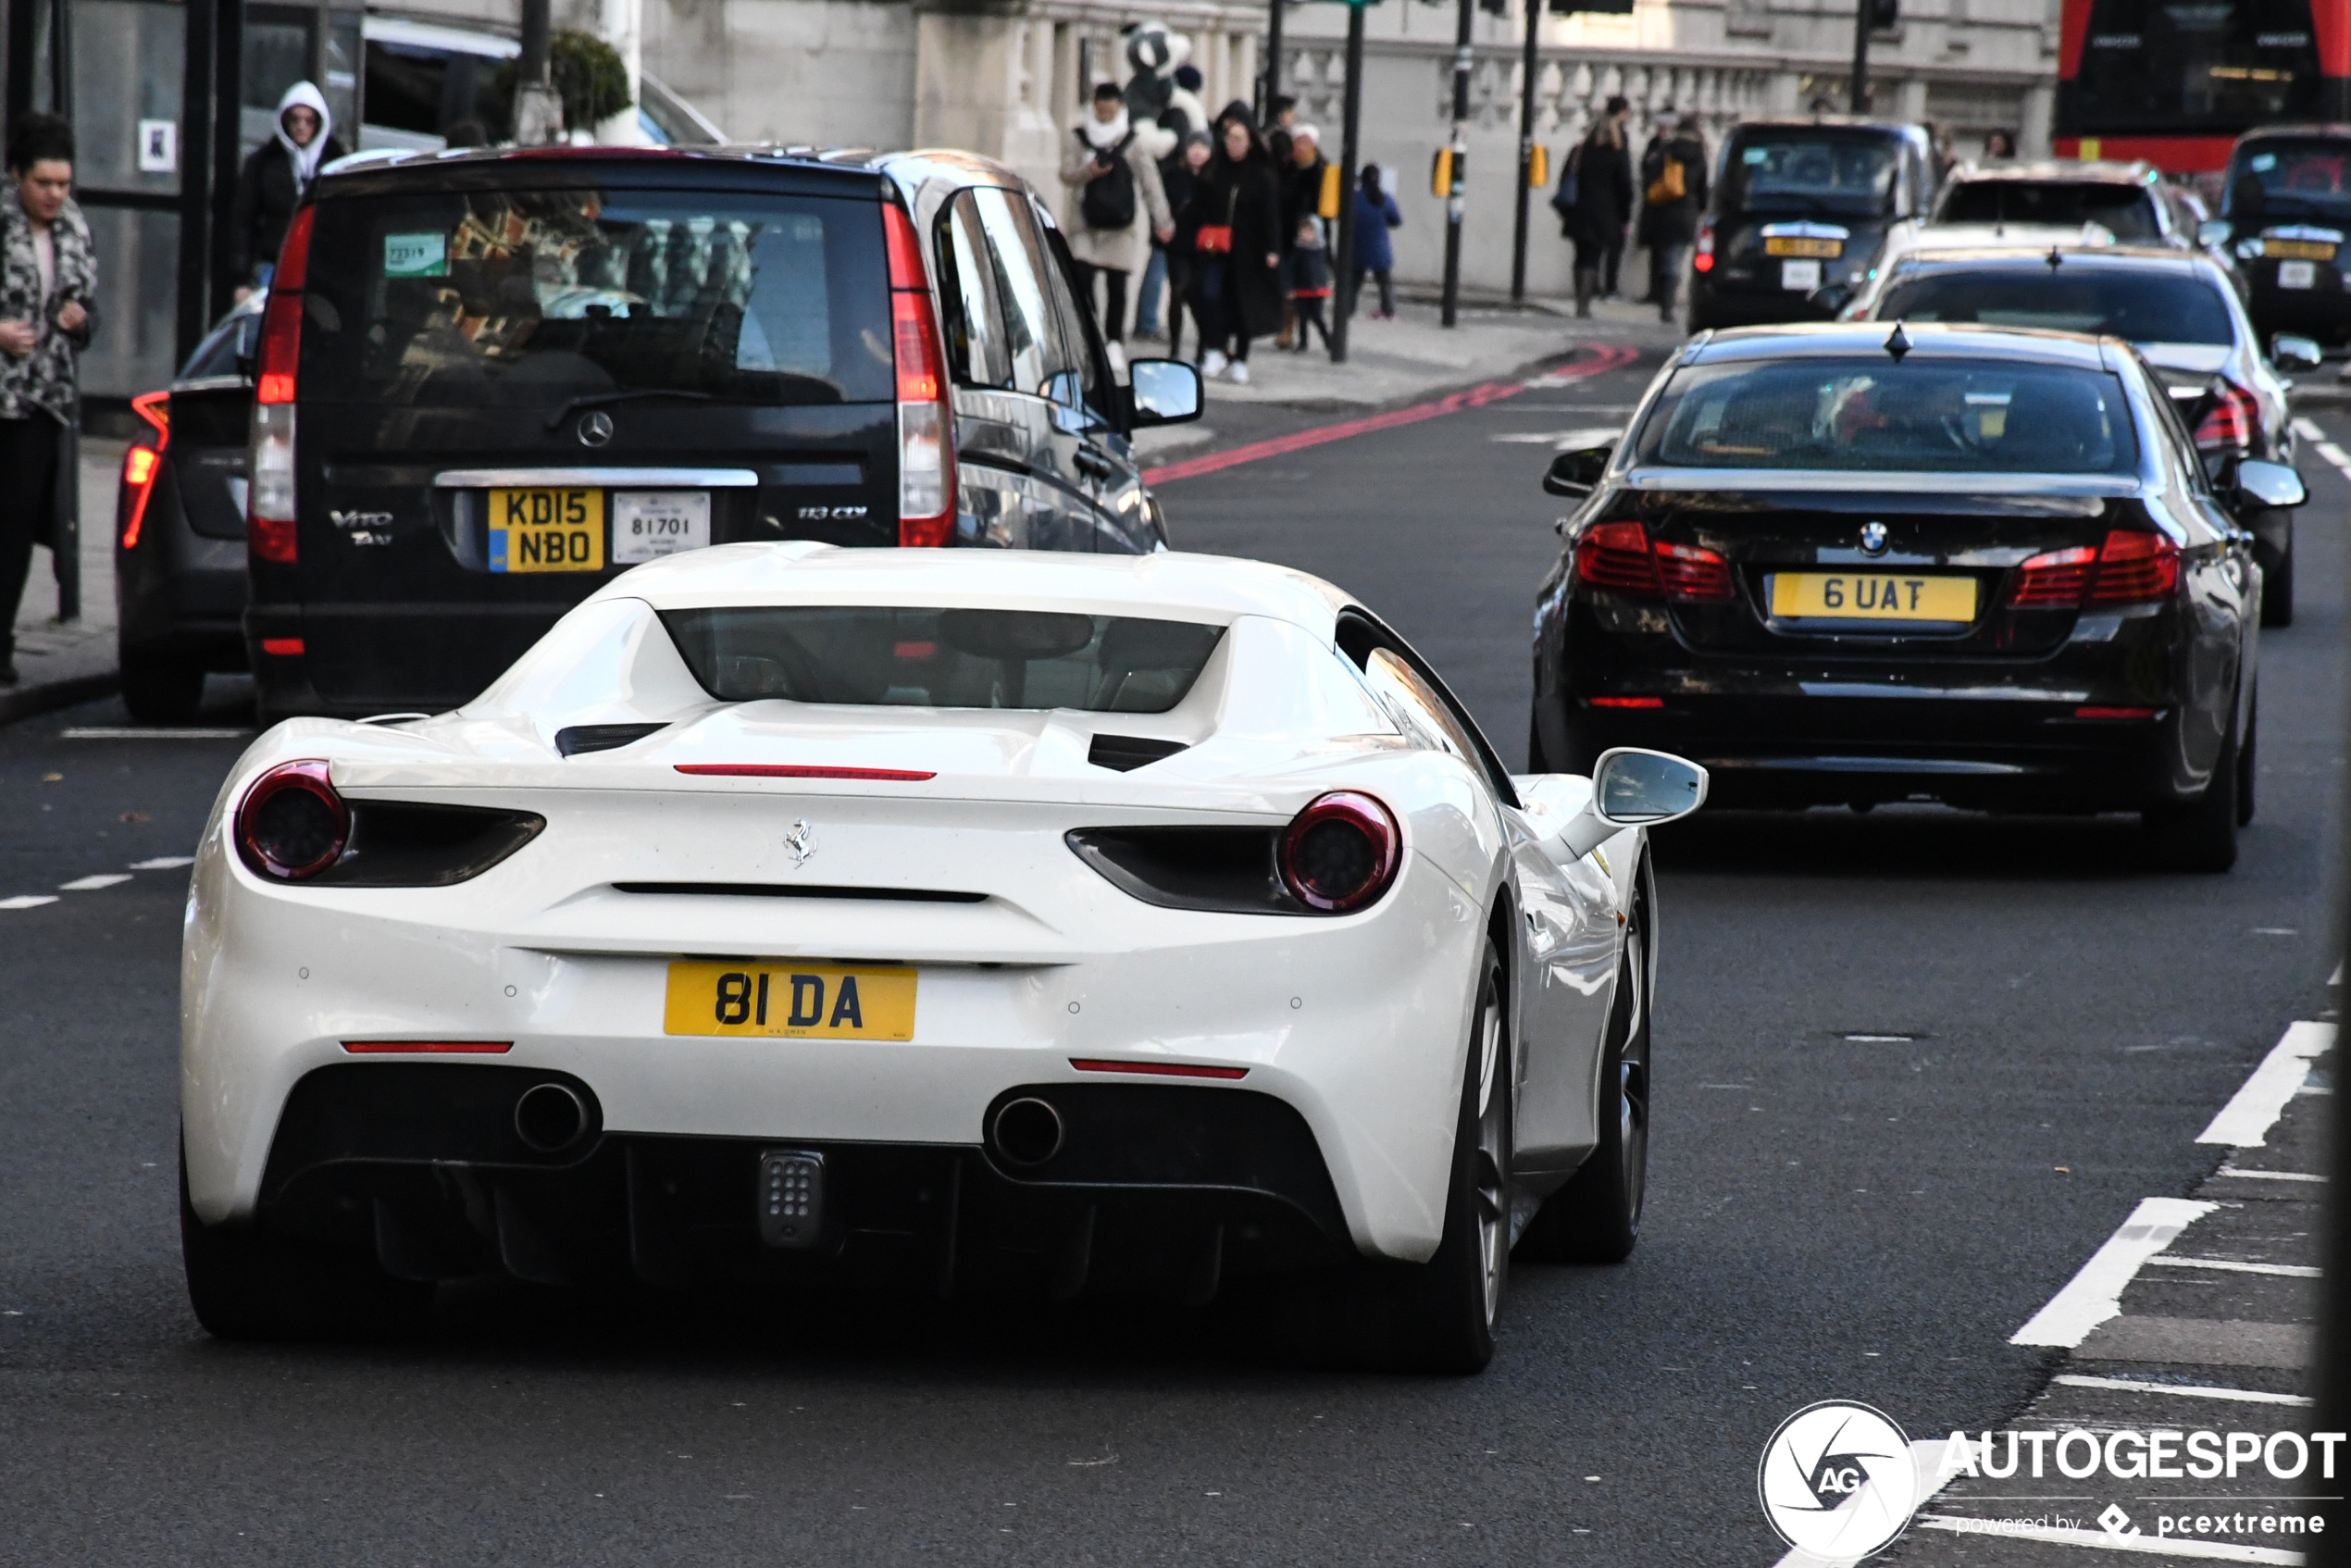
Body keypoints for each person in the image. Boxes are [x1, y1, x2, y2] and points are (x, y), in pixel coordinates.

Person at [0, 113, 95, 687]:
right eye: (44, 183)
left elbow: (88, 317)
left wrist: (79, 320)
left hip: (42, 398)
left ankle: (1, 640)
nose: (55, 195)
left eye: (63, 184)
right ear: (17, 175)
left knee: (16, 524)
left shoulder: (74, 232)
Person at [1060, 81, 1174, 354]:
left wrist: (1163, 221)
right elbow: (1065, 175)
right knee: (1083, 280)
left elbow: (1150, 183)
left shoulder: (1133, 141)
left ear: (1120, 108)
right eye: (1101, 111)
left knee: (1117, 284)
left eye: (1110, 111)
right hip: (1085, 222)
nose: (1105, 117)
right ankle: (1092, 336)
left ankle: (1114, 342)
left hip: (1121, 225)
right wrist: (1089, 172)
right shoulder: (1078, 137)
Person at [1187, 113, 1282, 384]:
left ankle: (1240, 358)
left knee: (1243, 304)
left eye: (1239, 139)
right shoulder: (1216, 169)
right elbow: (1200, 204)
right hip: (1215, 248)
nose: (1233, 144)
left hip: (1248, 251)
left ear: (1250, 143)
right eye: (1230, 138)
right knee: (1210, 296)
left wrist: (1272, 250)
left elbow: (1270, 215)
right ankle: (1214, 349)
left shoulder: (1262, 175)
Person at [230, 81, 347, 294]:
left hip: (323, 268)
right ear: (284, 121)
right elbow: (244, 222)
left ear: (319, 123)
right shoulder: (263, 163)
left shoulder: (337, 165)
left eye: (309, 120)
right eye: (295, 119)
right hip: (274, 266)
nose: (301, 126)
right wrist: (242, 280)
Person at [1640, 110, 1709, 323]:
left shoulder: (1666, 150)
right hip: (1686, 212)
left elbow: (1650, 178)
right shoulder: (1699, 155)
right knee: (1676, 260)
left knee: (1662, 256)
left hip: (1663, 209)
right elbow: (1703, 189)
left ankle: (1659, 296)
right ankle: (1667, 306)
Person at [1567, 107, 1634, 318]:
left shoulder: (1581, 151)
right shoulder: (1617, 155)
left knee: (1580, 256)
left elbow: (1567, 178)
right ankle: (1584, 305)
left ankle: (1580, 299)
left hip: (1580, 209)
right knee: (1593, 257)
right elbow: (1625, 188)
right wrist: (1625, 216)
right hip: (1605, 213)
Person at [1159, 131, 1213, 358]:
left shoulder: (1214, 177)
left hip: (1206, 247)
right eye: (1193, 146)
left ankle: (1203, 347)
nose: (1197, 151)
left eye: (1203, 147)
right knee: (1178, 292)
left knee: (1199, 296)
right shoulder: (1174, 175)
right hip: (1179, 244)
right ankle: (1175, 348)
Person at [1348, 163, 1402, 320]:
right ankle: (1388, 311)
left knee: (1354, 282)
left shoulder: (1354, 198)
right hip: (1379, 247)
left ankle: (1348, 309)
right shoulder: (1385, 199)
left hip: (1358, 246)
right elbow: (1397, 220)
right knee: (1384, 282)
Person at [1283, 216, 1333, 353]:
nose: (1305, 235)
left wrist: (1326, 285)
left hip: (1317, 289)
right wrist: (1290, 288)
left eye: (1309, 232)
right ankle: (1303, 342)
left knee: (1317, 315)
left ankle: (1327, 338)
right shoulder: (1298, 251)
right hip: (1302, 289)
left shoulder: (1321, 250)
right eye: (1302, 232)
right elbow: (1291, 271)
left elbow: (1325, 269)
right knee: (1303, 317)